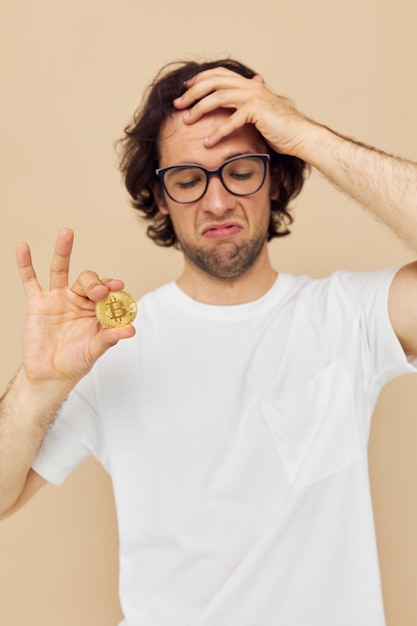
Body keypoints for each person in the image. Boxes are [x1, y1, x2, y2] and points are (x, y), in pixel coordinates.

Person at [1, 57, 417, 626]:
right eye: (189, 178)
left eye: (241, 169)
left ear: (275, 176)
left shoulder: (350, 317)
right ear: (162, 195)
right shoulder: (111, 346)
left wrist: (306, 134)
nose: (217, 202)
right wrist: (37, 386)